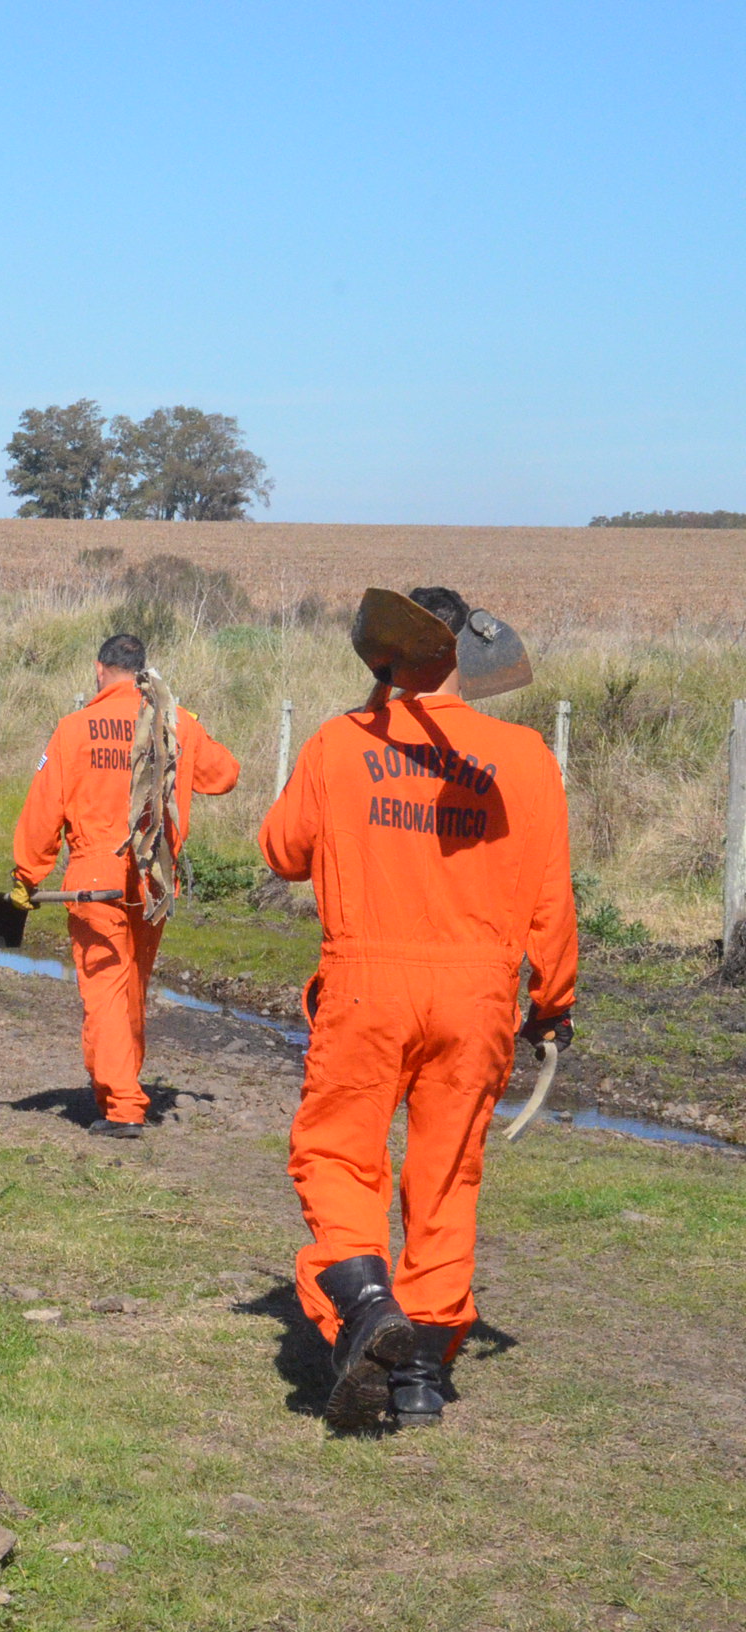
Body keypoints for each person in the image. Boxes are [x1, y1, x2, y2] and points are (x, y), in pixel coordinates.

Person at [259, 586, 574, 1430]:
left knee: (335, 1155)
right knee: (445, 1176)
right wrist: (552, 1003)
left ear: (388, 654)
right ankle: (423, 1375)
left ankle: (365, 1309)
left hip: (367, 986)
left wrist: (365, 729)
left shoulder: (338, 742)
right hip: (479, 997)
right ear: (465, 654)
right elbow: (552, 898)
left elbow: (282, 850)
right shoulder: (527, 755)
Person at [10, 632, 242, 1138]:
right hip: (153, 881)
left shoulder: (74, 729)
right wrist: (194, 728)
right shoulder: (170, 724)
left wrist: (27, 875)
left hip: (95, 877)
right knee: (130, 989)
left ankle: (122, 1106)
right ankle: (112, 1086)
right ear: (143, 672)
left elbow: (43, 810)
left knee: (107, 993)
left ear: (99, 670)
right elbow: (225, 776)